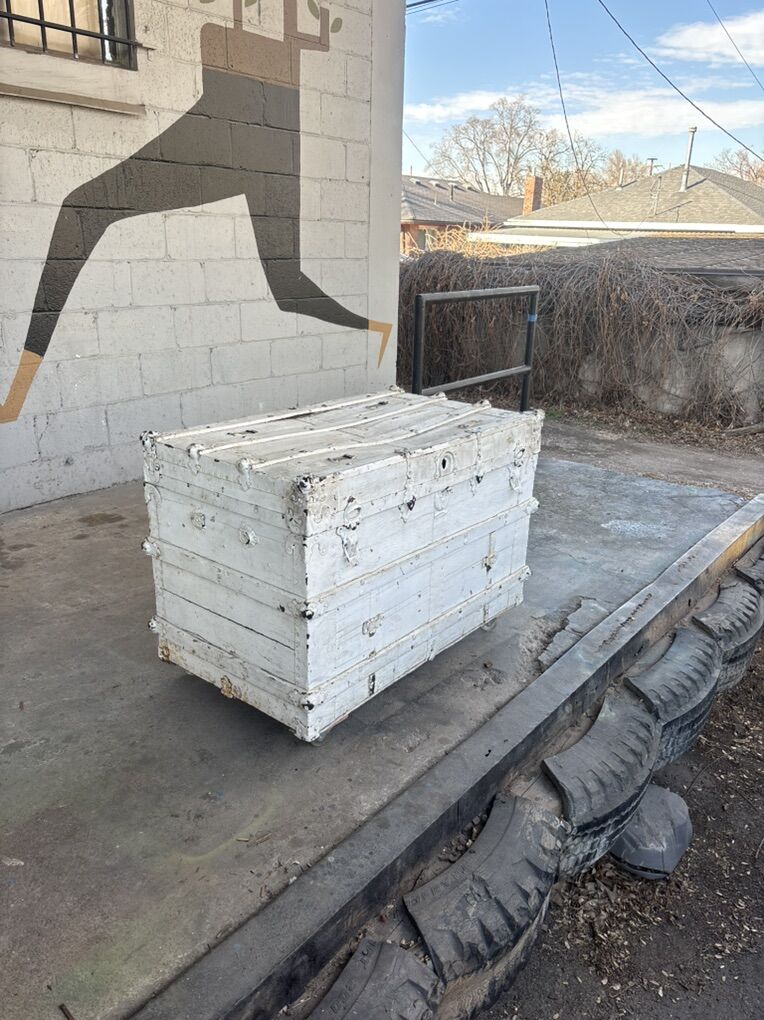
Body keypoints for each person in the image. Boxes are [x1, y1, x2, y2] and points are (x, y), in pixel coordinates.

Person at [0, 0, 391, 423]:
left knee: (285, 285)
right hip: (247, 124)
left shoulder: (269, 72)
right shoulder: (236, 51)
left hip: (257, 131)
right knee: (84, 207)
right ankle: (17, 399)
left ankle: (378, 328)